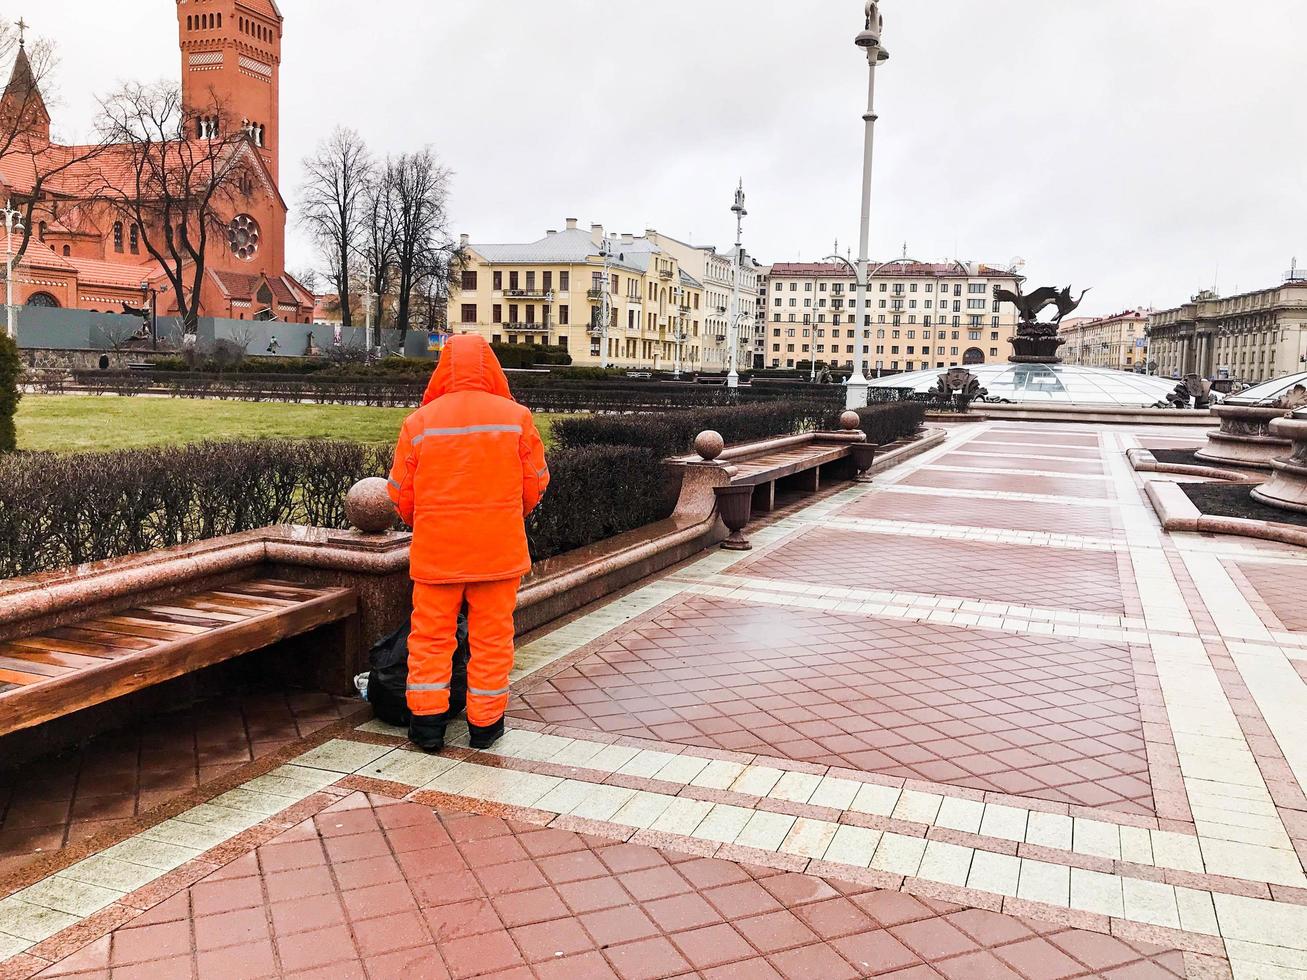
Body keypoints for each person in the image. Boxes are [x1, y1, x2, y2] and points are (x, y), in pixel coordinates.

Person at [387, 335, 549, 752]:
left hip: (438, 554)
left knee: (429, 639)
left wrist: (423, 521)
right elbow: (534, 482)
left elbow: (402, 493)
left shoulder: (420, 422)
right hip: (498, 551)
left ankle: (426, 727)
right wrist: (511, 514)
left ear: (443, 371)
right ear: (492, 369)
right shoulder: (516, 418)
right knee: (492, 640)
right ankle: (485, 727)